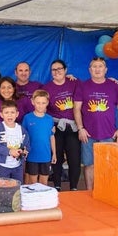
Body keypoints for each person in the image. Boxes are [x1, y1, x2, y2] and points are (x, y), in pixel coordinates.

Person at [74, 57, 118, 190]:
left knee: (107, 165)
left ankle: (104, 191)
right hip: (88, 134)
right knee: (89, 164)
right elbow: (77, 109)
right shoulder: (83, 86)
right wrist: (80, 128)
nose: (97, 69)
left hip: (108, 134)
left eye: (100, 66)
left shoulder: (114, 86)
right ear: (90, 70)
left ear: (105, 69)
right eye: (94, 67)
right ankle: (89, 193)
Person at [42, 59, 81, 191]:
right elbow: (43, 108)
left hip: (73, 126)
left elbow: (91, 86)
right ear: (51, 72)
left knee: (74, 158)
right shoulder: (46, 88)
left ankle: (74, 187)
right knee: (56, 156)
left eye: (60, 69)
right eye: (54, 69)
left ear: (65, 70)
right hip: (56, 126)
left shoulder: (74, 83)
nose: (57, 71)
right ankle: (57, 185)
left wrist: (110, 80)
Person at [22, 90, 56, 185]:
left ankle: (42, 199)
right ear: (33, 102)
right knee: (32, 183)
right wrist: (24, 151)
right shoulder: (27, 118)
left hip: (45, 156)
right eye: (38, 103)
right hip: (32, 156)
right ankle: (32, 199)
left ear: (47, 103)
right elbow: (23, 137)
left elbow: (52, 137)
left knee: (44, 182)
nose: (40, 105)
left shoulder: (49, 119)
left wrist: (54, 153)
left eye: (43, 103)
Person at [0, 100, 30, 183]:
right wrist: (9, 151)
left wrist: (23, 151)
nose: (9, 115)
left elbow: (27, 145)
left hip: (18, 166)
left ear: (17, 114)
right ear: (1, 114)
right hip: (2, 166)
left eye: (12, 112)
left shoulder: (22, 129)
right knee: (3, 189)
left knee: (17, 188)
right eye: (6, 112)